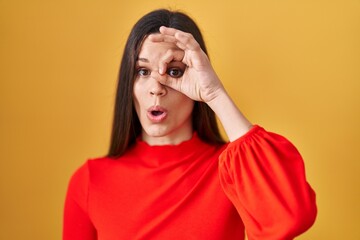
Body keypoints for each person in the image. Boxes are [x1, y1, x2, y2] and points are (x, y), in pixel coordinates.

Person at [63, 9, 317, 240]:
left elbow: (289, 218)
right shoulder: (90, 181)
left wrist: (214, 93)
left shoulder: (229, 171)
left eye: (174, 71)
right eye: (142, 71)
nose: (156, 88)